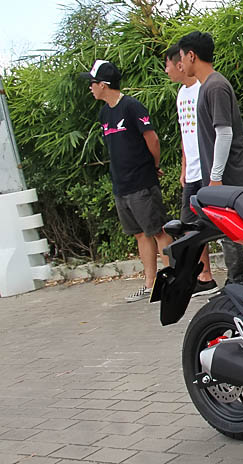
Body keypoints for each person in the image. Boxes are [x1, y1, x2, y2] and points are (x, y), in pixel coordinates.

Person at [178, 31, 243, 294]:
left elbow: (224, 132)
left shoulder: (215, 86)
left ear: (191, 55)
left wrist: (216, 177)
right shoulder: (207, 86)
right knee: (227, 232)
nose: (180, 64)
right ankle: (238, 283)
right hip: (223, 175)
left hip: (234, 174)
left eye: (181, 57)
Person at [82, 59, 172, 303]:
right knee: (140, 234)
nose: (90, 88)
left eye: (92, 83)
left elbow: (152, 139)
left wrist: (153, 166)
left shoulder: (132, 107)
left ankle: (173, 283)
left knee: (158, 231)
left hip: (142, 181)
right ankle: (151, 285)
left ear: (104, 84)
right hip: (121, 185)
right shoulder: (104, 113)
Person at [162, 45, 219, 297]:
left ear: (181, 63)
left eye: (168, 65)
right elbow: (186, 134)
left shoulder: (203, 88)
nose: (166, 70)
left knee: (220, 225)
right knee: (188, 226)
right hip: (192, 171)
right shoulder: (180, 94)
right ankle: (204, 276)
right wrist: (185, 167)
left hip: (208, 169)